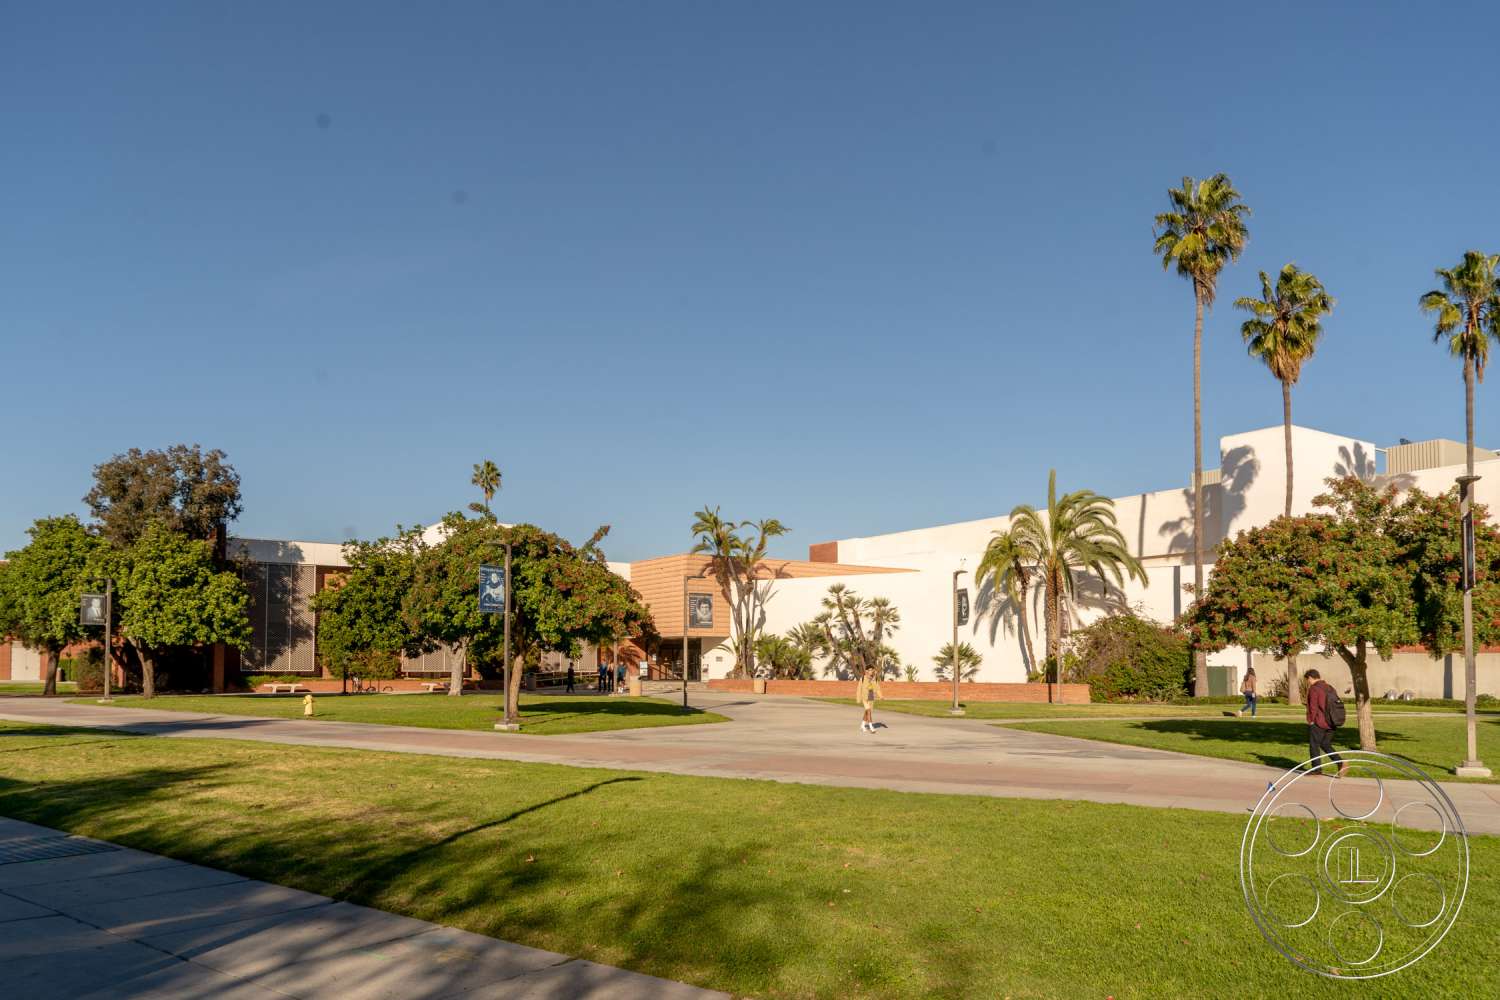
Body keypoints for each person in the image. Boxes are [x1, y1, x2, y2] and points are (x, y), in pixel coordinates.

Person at [1304, 669, 1349, 778]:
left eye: (1307, 680)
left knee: (1314, 745)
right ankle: (1340, 763)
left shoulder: (1314, 689)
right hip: (1332, 722)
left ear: (1310, 677)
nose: (1308, 682)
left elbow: (1313, 707)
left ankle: (1316, 770)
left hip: (1320, 722)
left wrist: (1311, 721)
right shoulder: (1329, 687)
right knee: (1325, 744)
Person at [855, 661, 882, 734]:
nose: (871, 671)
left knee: (867, 712)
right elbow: (859, 689)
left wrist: (880, 696)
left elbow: (877, 688)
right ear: (866, 671)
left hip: (871, 697)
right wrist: (858, 699)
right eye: (869, 670)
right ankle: (871, 727)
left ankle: (862, 725)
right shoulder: (863, 679)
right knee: (869, 711)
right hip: (864, 698)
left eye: (872, 670)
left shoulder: (874, 679)